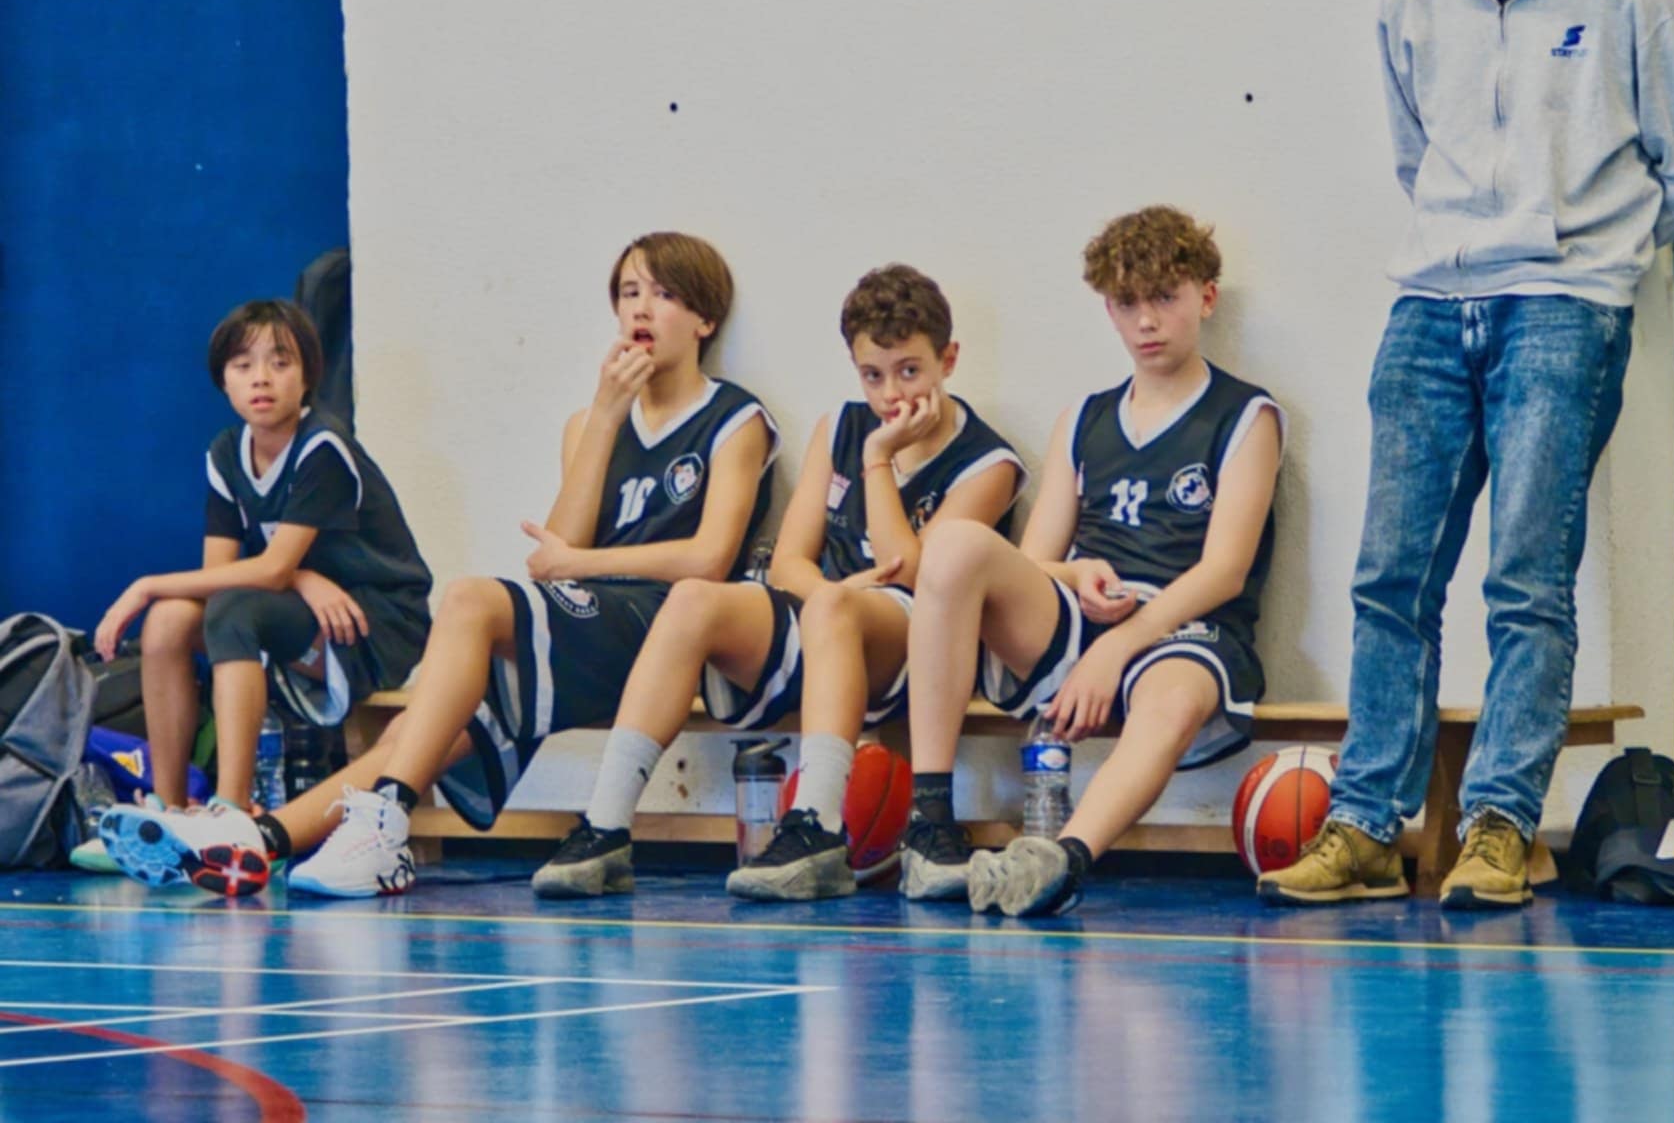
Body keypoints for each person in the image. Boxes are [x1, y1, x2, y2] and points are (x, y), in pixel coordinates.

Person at [1258, 0, 1674, 912]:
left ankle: (1498, 827)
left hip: (1562, 309)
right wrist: (1466, 243)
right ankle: (1365, 827)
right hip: (1432, 303)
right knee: (1390, 578)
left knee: (1525, 580)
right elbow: (1413, 154)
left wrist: (1598, 256)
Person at [97, 231, 775, 898]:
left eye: (663, 294)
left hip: (671, 625)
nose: (641, 309)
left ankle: (382, 821)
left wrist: (581, 560)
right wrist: (603, 418)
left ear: (704, 319)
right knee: (414, 729)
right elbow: (557, 554)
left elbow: (709, 558)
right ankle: (254, 839)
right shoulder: (590, 421)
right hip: (591, 618)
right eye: (628, 293)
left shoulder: (734, 418)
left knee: (471, 600)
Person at [547, 263, 1023, 901]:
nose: (891, 395)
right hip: (825, 619)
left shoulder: (989, 463)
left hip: (914, 646)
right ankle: (605, 827)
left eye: (910, 371)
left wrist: (878, 460)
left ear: (949, 360)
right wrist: (832, 595)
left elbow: (913, 573)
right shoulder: (839, 426)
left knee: (834, 608)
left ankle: (816, 828)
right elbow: (788, 563)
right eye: (873, 375)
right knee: (693, 600)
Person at [899, 205, 1283, 916]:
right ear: (1108, 310)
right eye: (1127, 303)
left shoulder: (1246, 416)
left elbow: (1225, 571)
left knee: (1173, 691)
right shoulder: (1085, 418)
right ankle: (930, 824)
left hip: (1186, 629)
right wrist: (1075, 575)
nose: (1147, 321)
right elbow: (1036, 561)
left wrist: (1118, 648)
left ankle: (1061, 858)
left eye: (1164, 297)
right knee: (952, 545)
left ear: (1206, 297)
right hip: (1083, 617)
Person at [89, 300, 431, 891]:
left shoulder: (323, 446)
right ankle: (169, 816)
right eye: (243, 365)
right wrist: (297, 577)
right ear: (223, 380)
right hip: (298, 613)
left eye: (280, 362)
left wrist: (145, 584)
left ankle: (232, 815)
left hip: (375, 621)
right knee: (170, 620)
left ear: (308, 376)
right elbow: (224, 573)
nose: (262, 378)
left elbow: (264, 572)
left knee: (222, 607)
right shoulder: (227, 453)